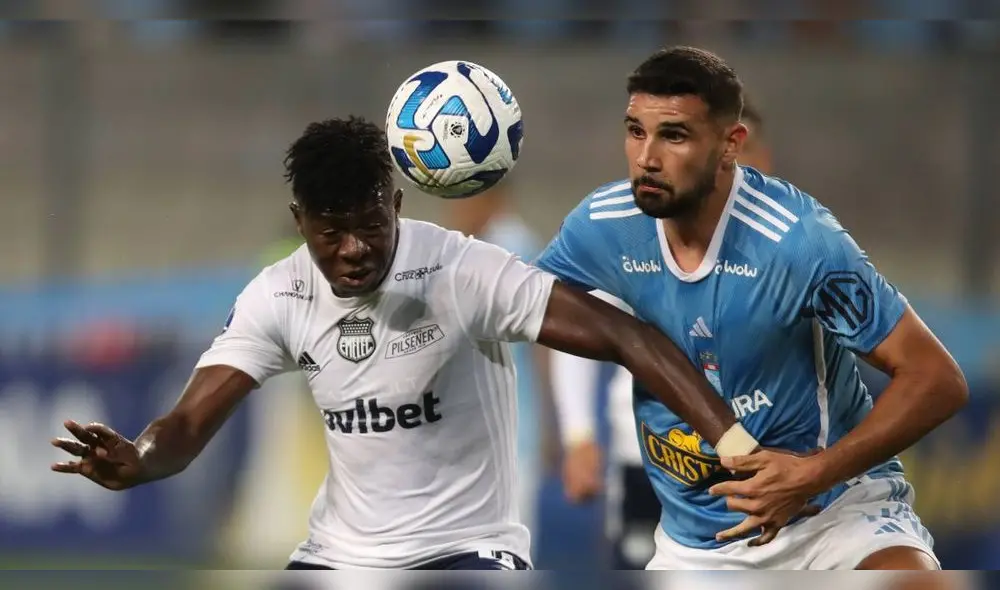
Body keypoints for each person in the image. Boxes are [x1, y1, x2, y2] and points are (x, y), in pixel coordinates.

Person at [49, 116, 759, 571]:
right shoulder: (280, 294)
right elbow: (189, 424)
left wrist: (737, 447)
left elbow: (626, 336)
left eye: (369, 225)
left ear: (396, 204)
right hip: (339, 556)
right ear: (302, 223)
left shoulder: (461, 270)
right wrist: (139, 459)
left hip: (466, 552)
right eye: (332, 234)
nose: (354, 251)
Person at [534, 46, 968, 570]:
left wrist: (814, 473)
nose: (647, 157)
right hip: (697, 548)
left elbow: (936, 378)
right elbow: (523, 306)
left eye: (674, 135)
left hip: (833, 516)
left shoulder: (797, 242)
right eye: (634, 131)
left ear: (730, 145)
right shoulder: (602, 226)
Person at [550, 100, 774, 570]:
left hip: (761, 468)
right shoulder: (637, 242)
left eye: (739, 153)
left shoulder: (789, 249)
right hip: (658, 461)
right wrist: (579, 435)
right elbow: (580, 328)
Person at [443, 183, 552, 560]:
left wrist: (550, 421)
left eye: (462, 200)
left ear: (490, 198)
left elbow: (542, 345)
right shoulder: (489, 245)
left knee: (502, 551)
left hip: (511, 433)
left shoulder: (507, 249)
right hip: (482, 434)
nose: (454, 214)